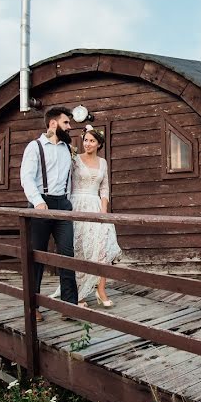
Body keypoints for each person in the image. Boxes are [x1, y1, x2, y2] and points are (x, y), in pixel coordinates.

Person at [19, 106, 80, 320]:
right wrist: (37, 202)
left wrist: (68, 202)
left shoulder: (67, 149)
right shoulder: (34, 147)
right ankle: (32, 307)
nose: (69, 127)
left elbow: (69, 180)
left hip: (62, 205)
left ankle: (69, 306)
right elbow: (27, 178)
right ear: (53, 124)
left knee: (67, 254)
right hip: (40, 205)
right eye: (66, 123)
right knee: (36, 256)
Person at [70, 125, 121, 307]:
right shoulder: (75, 159)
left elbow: (105, 187)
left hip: (96, 205)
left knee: (102, 247)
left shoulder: (103, 162)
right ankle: (80, 294)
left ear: (99, 144)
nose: (88, 144)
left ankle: (101, 290)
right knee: (81, 249)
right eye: (86, 140)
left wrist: (104, 209)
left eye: (92, 141)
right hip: (77, 205)